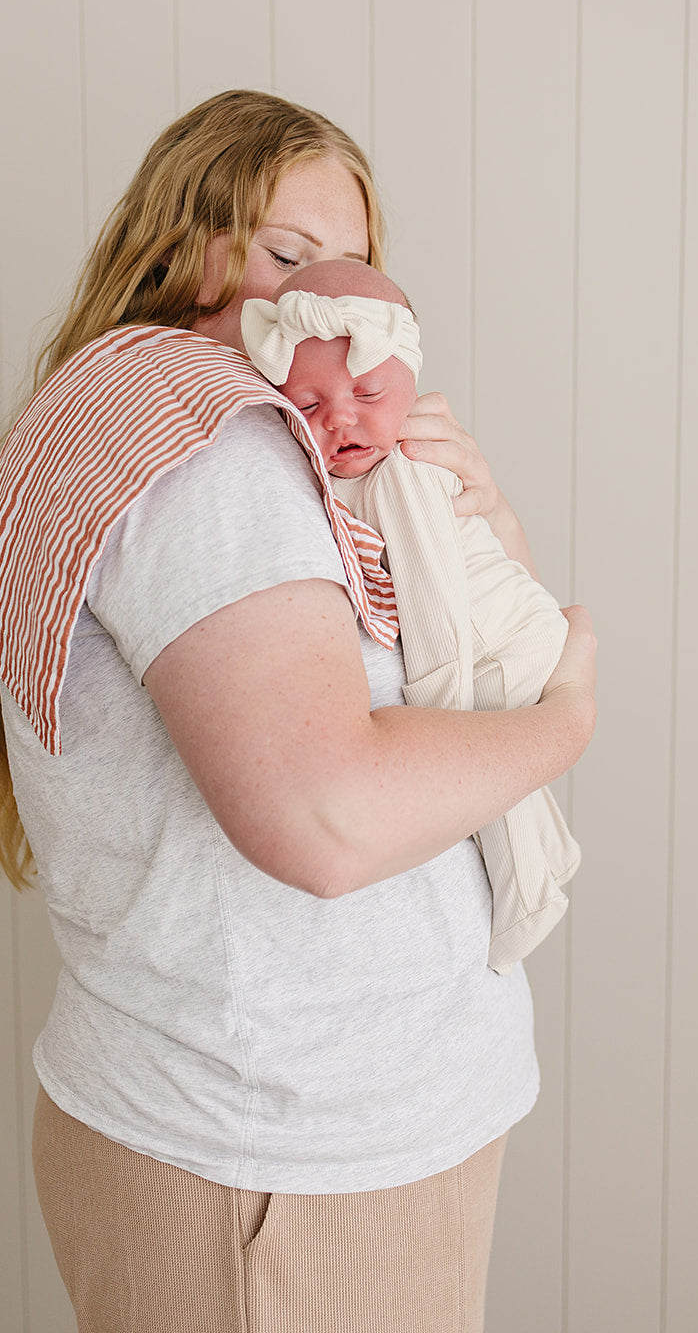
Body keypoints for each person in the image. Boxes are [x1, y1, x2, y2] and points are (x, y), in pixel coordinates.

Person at [0, 88, 596, 1333]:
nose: (312, 305)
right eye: (284, 258)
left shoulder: (216, 430)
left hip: (291, 1136)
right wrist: (568, 713)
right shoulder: (215, 440)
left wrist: (478, 530)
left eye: (345, 273)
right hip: (283, 1155)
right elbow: (323, 816)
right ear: (181, 243)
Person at [240, 258, 581, 976]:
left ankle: (529, 900)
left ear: (412, 384)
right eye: (307, 404)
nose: (340, 417)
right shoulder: (349, 474)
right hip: (499, 635)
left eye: (367, 391)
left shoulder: (402, 475)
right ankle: (540, 875)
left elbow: (437, 604)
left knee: (500, 792)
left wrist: (443, 711)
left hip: (494, 647)